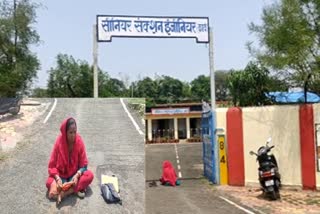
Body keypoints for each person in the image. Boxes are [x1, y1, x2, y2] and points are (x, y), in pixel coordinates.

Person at [46, 117, 94, 205]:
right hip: (62, 176)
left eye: (75, 132)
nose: (73, 135)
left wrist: (77, 175)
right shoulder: (59, 142)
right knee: (49, 182)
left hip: (74, 177)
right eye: (70, 132)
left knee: (89, 175)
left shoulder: (79, 141)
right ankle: (75, 189)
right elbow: (52, 165)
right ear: (65, 132)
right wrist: (57, 178)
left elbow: (84, 165)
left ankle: (65, 193)